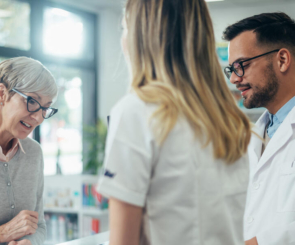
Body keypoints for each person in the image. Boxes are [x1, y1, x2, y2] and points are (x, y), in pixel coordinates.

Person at [97, 0, 252, 244]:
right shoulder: (229, 120)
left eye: (125, 28)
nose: (123, 39)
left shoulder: (136, 111)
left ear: (141, 38)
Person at [223, 12, 295, 245]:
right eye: (231, 69)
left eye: (241, 65)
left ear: (282, 60)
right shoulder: (257, 135)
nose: (234, 79)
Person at [0, 57, 58, 245]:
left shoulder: (34, 153)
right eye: (32, 101)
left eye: (45, 108)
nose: (38, 117)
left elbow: (40, 225)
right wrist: (2, 233)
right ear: (1, 94)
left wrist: (30, 242)